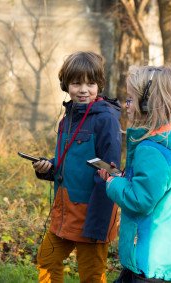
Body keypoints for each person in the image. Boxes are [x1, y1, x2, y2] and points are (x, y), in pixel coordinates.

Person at [98, 64, 171, 282]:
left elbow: (140, 200)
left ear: (147, 104)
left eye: (130, 99)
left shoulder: (152, 150)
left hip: (148, 260)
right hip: (162, 257)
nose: (125, 105)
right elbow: (151, 188)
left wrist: (112, 183)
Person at [32, 51, 122, 283]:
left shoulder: (106, 119)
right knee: (47, 260)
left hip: (92, 213)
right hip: (64, 211)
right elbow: (67, 163)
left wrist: (98, 223)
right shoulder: (67, 119)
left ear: (99, 84)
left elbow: (110, 172)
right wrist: (48, 167)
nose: (83, 90)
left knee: (91, 276)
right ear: (66, 85)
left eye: (90, 83)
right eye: (76, 83)